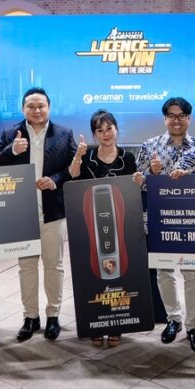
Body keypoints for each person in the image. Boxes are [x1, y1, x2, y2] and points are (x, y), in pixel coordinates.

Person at [0, 87, 76, 342]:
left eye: (41, 106)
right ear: (23, 109)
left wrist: (55, 179)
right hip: (22, 213)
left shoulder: (64, 134)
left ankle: (53, 315)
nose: (36, 110)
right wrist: (12, 151)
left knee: (54, 267)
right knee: (26, 268)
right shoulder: (10, 134)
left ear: (48, 107)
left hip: (53, 213)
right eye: (31, 106)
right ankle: (30, 317)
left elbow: (74, 169)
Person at [137, 97, 195, 352]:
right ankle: (173, 319)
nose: (176, 120)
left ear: (189, 118)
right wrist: (152, 174)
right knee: (164, 272)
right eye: (171, 116)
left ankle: (193, 326)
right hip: (159, 220)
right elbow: (138, 182)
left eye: (181, 115)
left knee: (192, 273)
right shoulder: (149, 146)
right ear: (165, 118)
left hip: (191, 220)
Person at [69, 109, 141, 348]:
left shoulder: (127, 158)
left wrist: (139, 182)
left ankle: (117, 324)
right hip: (91, 224)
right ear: (94, 134)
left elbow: (133, 191)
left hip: (120, 224)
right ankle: (97, 323)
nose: (106, 133)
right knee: (94, 273)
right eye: (100, 130)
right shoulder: (87, 156)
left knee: (120, 273)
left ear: (116, 129)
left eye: (109, 128)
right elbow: (73, 177)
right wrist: (78, 157)